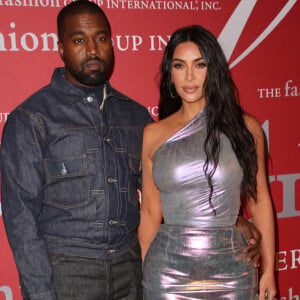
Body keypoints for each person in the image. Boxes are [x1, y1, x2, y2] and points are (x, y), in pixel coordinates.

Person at [1, 2, 260, 299]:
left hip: (131, 269)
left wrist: (229, 220)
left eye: (101, 38)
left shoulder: (135, 118)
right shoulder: (33, 119)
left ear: (112, 43)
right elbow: (21, 219)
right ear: (61, 48)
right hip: (68, 274)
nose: (93, 49)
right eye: (79, 40)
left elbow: (171, 184)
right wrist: (40, 294)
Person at [138, 25, 276, 299]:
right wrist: (147, 270)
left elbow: (260, 201)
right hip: (166, 271)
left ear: (213, 70)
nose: (189, 76)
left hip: (233, 269)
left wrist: (269, 269)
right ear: (170, 72)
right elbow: (150, 213)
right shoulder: (153, 134)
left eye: (199, 65)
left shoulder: (246, 128)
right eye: (180, 66)